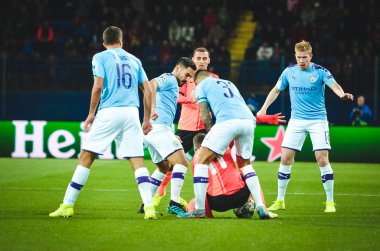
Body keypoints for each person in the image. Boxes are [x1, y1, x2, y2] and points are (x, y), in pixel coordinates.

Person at [49, 26, 158, 220]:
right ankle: (149, 208)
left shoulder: (99, 57)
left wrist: (91, 113)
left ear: (104, 42)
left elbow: (98, 86)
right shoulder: (135, 60)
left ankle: (67, 205)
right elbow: (148, 90)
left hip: (109, 112)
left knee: (87, 156)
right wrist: (146, 118)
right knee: (137, 160)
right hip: (131, 112)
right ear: (121, 41)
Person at [256, 40, 354, 213]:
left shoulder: (320, 71)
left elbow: (334, 85)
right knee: (285, 158)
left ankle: (330, 202)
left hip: (318, 120)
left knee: (322, 158)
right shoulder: (289, 72)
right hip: (296, 121)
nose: (302, 60)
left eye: (305, 57)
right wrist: (264, 108)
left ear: (311, 56)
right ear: (295, 56)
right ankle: (280, 200)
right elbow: (276, 90)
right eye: (299, 57)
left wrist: (341, 94)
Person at [178, 69, 271, 219]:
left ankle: (200, 210)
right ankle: (261, 206)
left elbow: (204, 114)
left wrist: (210, 135)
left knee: (201, 160)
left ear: (197, 81)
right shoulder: (229, 83)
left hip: (227, 121)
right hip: (248, 121)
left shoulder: (201, 85)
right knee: (245, 164)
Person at [148, 47, 218, 206]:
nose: (201, 61)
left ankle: (218, 193)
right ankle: (158, 193)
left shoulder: (214, 78)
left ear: (209, 61)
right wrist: (189, 99)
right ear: (193, 60)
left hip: (206, 126)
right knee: (172, 163)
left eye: (204, 58)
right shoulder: (187, 78)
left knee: (216, 160)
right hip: (186, 126)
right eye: (198, 58)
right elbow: (174, 96)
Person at [187, 113, 285, 218]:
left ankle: (202, 213)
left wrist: (209, 215)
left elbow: (201, 189)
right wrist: (265, 119)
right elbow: (241, 123)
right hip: (239, 196)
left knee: (199, 190)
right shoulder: (224, 144)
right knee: (248, 173)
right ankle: (261, 207)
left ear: (195, 148)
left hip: (218, 203)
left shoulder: (195, 161)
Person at [140, 57, 196, 216]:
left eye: (190, 77)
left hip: (155, 130)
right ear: (178, 67)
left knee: (164, 167)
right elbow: (151, 84)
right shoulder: (170, 79)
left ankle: (146, 203)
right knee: (182, 163)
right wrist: (152, 110)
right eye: (187, 75)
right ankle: (174, 202)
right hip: (158, 129)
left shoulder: (172, 83)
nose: (187, 80)